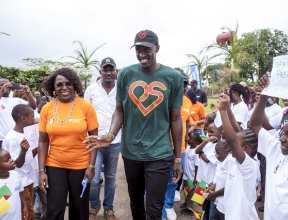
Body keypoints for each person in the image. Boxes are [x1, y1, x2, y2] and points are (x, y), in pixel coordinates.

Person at [84, 30, 183, 220]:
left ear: (157, 48)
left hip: (159, 153)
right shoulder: (126, 74)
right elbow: (119, 110)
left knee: (154, 208)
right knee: (136, 204)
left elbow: (176, 119)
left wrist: (177, 158)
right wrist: (111, 135)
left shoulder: (173, 77)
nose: (142, 54)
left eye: (146, 49)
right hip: (131, 152)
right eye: (138, 49)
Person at [38, 68, 99, 220]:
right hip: (55, 164)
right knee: (54, 208)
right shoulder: (47, 109)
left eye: (68, 83)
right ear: (53, 88)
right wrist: (41, 170)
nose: (64, 87)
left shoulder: (86, 107)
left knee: (79, 207)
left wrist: (91, 167)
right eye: (59, 84)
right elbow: (42, 141)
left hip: (80, 165)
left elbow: (94, 140)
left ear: (75, 86)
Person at [84, 57, 121, 220]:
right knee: (93, 178)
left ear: (116, 71)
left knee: (111, 178)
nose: (108, 72)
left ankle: (108, 209)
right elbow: (84, 113)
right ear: (100, 72)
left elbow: (123, 114)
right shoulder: (91, 90)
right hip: (94, 141)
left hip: (115, 141)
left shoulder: (122, 89)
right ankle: (94, 206)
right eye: (105, 70)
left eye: (111, 69)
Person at [249, 72, 288, 220]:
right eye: (283, 133)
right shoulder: (276, 149)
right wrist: (265, 92)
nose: (282, 139)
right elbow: (256, 124)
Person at [218, 94, 260, 220]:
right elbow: (237, 131)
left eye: (236, 145)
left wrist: (223, 111)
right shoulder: (237, 161)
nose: (231, 147)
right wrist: (228, 107)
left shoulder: (249, 166)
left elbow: (232, 140)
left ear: (246, 148)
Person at [162, 73, 192, 220]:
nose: (183, 87)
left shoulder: (188, 102)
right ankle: (159, 208)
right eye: (180, 84)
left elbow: (186, 123)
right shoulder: (165, 99)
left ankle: (168, 205)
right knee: (160, 178)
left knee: (174, 178)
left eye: (185, 84)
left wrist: (186, 140)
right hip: (164, 148)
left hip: (180, 149)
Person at [2, 104, 37, 220]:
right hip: (20, 180)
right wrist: (23, 151)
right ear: (23, 118)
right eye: (32, 116)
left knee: (27, 207)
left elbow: (30, 155)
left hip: (28, 178)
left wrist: (40, 143)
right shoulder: (12, 138)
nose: (34, 118)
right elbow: (16, 164)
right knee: (28, 212)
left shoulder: (26, 132)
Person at [0, 79, 36, 148]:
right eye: (2, 85)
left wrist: (28, 93)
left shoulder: (16, 100)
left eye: (8, 85)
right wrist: (2, 90)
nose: (5, 86)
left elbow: (32, 107)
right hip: (1, 139)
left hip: (17, 138)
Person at [0, 149, 28, 219]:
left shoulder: (15, 175)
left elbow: (20, 192)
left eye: (10, 158)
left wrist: (24, 205)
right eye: (7, 160)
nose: (11, 160)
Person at [180, 132, 201, 212]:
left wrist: (195, 178)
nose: (189, 140)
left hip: (192, 177)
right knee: (186, 191)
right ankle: (186, 204)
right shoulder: (187, 148)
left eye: (191, 139)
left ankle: (190, 209)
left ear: (196, 143)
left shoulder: (196, 152)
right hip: (185, 175)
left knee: (190, 194)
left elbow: (197, 166)